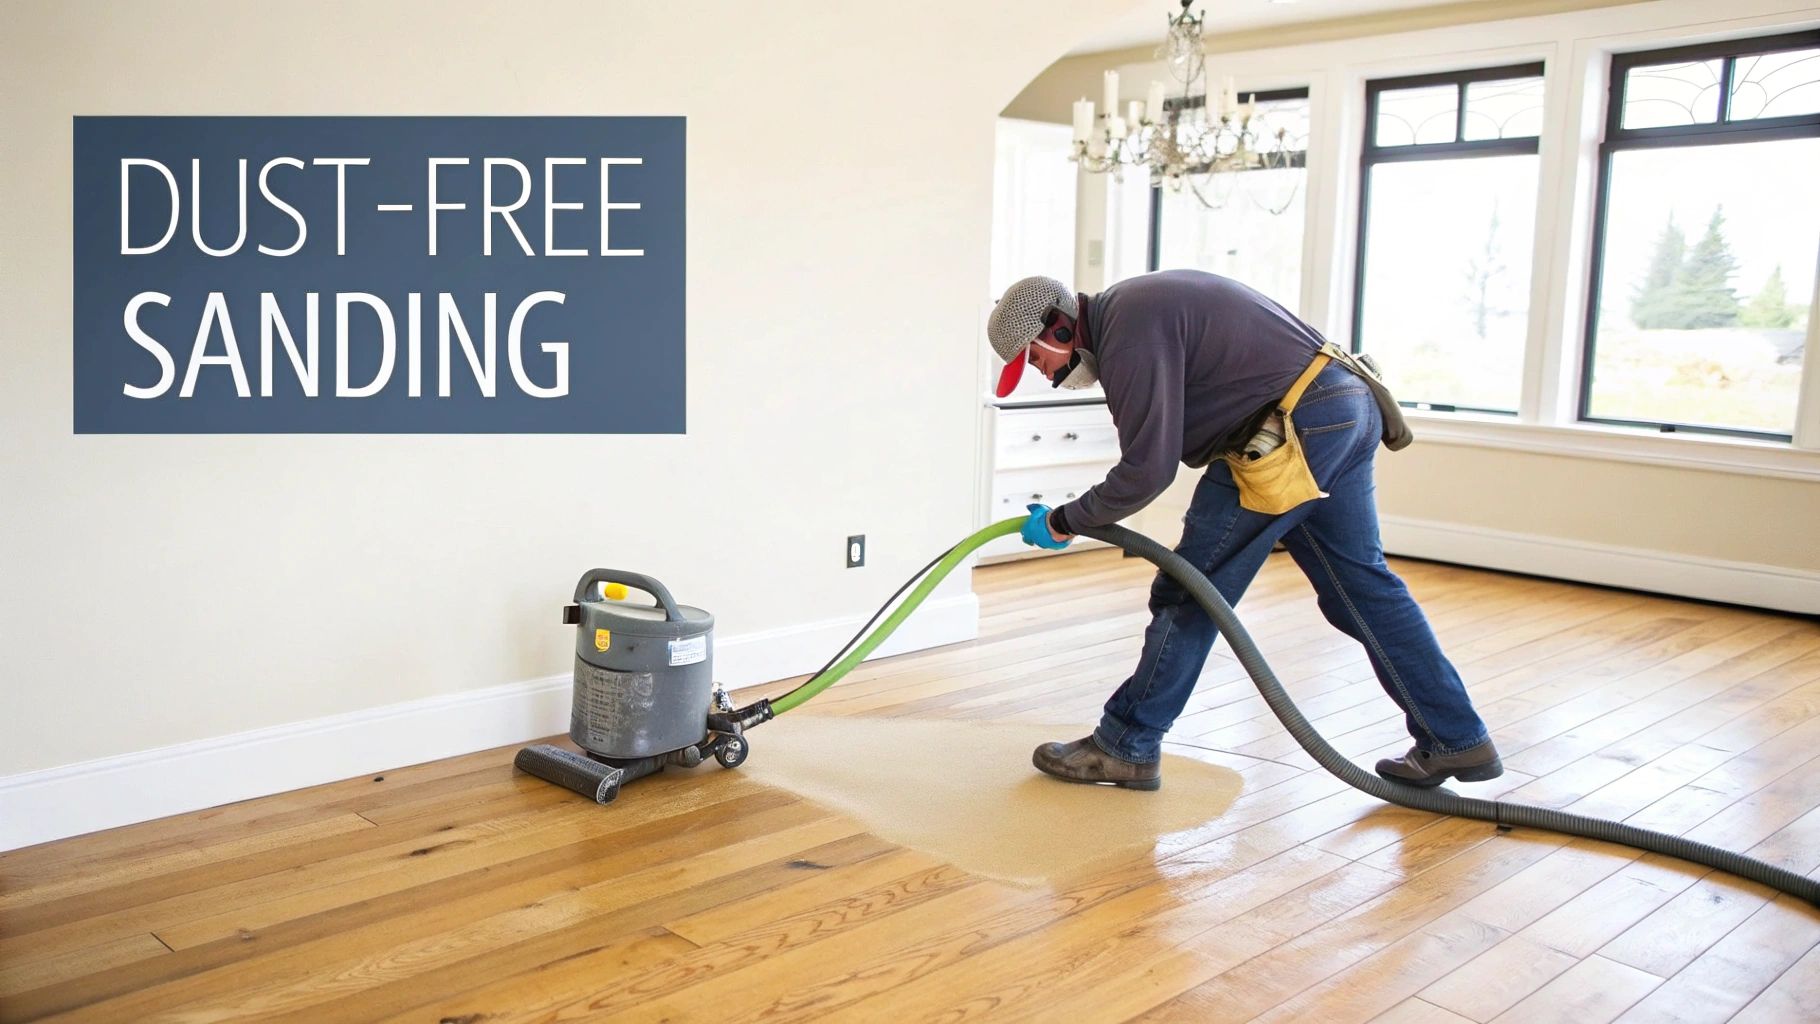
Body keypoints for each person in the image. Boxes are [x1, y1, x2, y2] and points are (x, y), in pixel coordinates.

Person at [985, 269, 1501, 791]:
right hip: (1341, 405)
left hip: (1291, 430)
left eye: (1034, 358)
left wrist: (1064, 520)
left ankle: (1125, 744)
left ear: (1058, 329)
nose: (1044, 373)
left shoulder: (1127, 332)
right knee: (1363, 588)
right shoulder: (1135, 310)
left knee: (1192, 591)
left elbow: (1148, 470)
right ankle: (1457, 738)